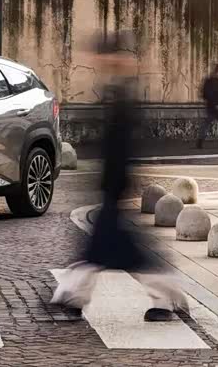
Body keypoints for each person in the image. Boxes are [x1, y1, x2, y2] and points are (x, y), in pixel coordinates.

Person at [51, 30, 188, 322]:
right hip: (110, 184)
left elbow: (124, 144)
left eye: (101, 55)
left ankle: (165, 295)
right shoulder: (114, 90)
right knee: (106, 249)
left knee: (114, 250)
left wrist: (116, 182)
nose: (96, 60)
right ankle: (73, 295)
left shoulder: (124, 93)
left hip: (115, 183)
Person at [197, 64, 218, 148]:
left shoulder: (208, 80)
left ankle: (200, 141)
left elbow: (204, 94)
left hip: (211, 106)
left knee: (207, 124)